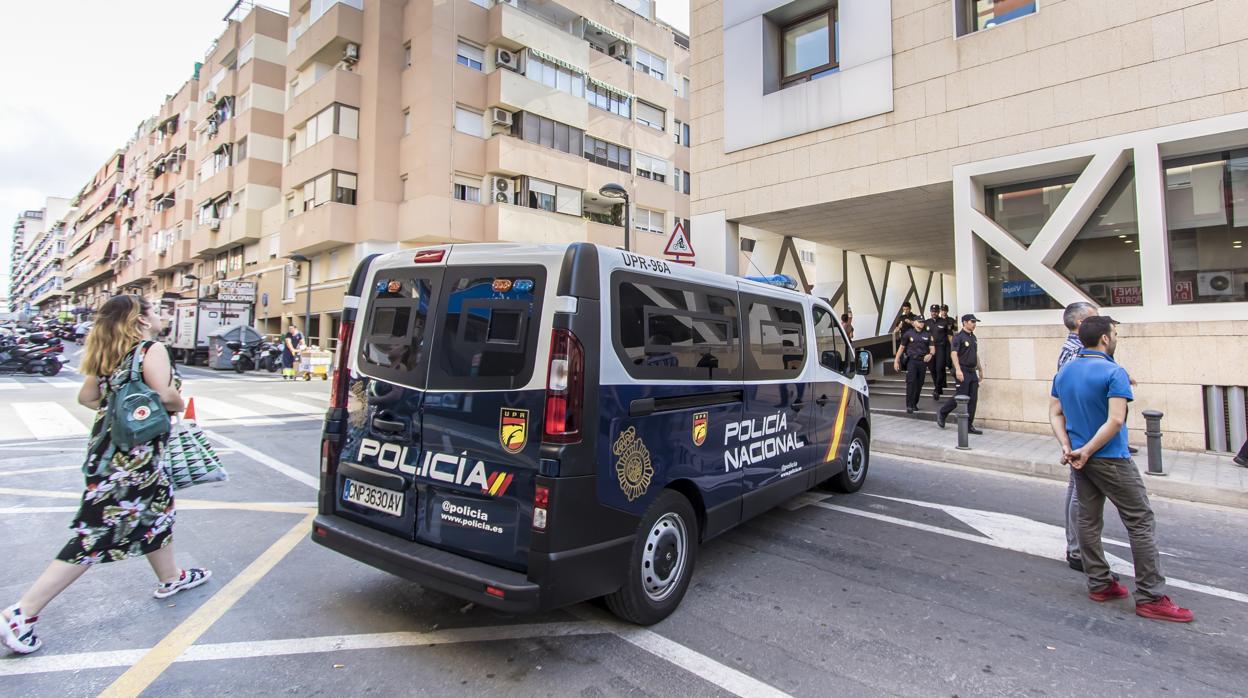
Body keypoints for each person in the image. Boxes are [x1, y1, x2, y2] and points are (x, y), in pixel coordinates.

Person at [1, 295, 211, 655]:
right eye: (155, 312)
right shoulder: (150, 349)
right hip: (135, 460)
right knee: (95, 533)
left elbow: (87, 398)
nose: (160, 317)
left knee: (157, 514)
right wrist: (174, 403)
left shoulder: (109, 352)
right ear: (141, 320)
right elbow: (165, 395)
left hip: (109, 452)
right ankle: (22, 613)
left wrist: (122, 406)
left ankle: (171, 577)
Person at [1049, 316, 1193, 622]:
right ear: (1103, 338)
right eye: (1114, 334)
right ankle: (1151, 596)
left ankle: (1099, 582)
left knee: (1088, 520)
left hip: (1078, 457)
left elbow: (1054, 412)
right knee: (1140, 521)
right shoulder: (1114, 372)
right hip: (1110, 457)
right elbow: (1116, 420)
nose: (1115, 338)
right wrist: (1088, 450)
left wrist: (1068, 446)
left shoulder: (1066, 371)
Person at [936, 314, 983, 434]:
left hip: (972, 372)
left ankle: (968, 425)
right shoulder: (958, 337)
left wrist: (980, 369)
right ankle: (942, 412)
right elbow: (953, 354)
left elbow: (975, 354)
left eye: (975, 322)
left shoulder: (973, 337)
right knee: (960, 396)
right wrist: (958, 370)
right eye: (972, 322)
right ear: (965, 322)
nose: (974, 324)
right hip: (963, 370)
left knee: (973, 399)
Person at [893, 314, 933, 414]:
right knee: (911, 382)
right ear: (914, 322)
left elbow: (932, 348)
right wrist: (896, 360)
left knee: (920, 383)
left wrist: (930, 354)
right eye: (919, 322)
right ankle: (909, 405)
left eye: (923, 322)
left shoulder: (927, 334)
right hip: (912, 361)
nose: (921, 324)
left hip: (922, 361)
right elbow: (901, 348)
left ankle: (915, 403)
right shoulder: (908, 334)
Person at [924, 304, 951, 401]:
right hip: (930, 349)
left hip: (941, 348)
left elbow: (949, 337)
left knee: (939, 368)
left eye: (935, 311)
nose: (933, 313)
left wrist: (950, 351)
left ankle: (936, 390)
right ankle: (938, 387)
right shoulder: (927, 322)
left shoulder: (944, 322)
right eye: (932, 311)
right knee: (932, 369)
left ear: (938, 312)